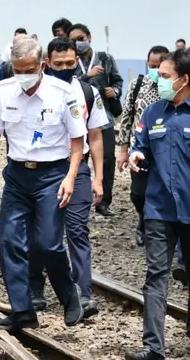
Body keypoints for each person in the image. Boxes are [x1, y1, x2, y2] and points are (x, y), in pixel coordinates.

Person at [125, 49, 190, 360]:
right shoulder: (153, 113)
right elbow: (141, 147)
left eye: (165, 76)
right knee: (155, 274)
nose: (158, 81)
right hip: (159, 209)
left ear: (184, 80)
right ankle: (153, 346)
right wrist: (136, 157)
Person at [0, 37, 86, 331]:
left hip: (52, 176)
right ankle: (22, 310)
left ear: (42, 66)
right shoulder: (4, 90)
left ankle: (69, 295)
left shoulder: (62, 93)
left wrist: (71, 177)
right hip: (16, 176)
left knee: (49, 244)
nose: (22, 76)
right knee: (10, 243)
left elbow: (78, 143)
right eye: (17, 69)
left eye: (28, 69)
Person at [28, 36, 107, 317]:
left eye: (70, 63)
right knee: (41, 233)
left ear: (78, 61)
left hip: (80, 169)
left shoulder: (87, 92)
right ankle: (35, 288)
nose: (65, 67)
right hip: (46, 170)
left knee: (77, 230)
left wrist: (98, 178)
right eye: (58, 63)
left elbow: (96, 136)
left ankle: (82, 293)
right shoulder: (36, 91)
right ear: (47, 63)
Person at [68, 23, 123, 217]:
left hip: (104, 117)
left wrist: (114, 91)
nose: (78, 43)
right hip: (78, 118)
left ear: (89, 37)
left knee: (107, 159)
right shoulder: (71, 60)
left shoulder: (105, 58)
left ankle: (103, 202)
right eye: (73, 40)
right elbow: (69, 82)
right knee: (79, 158)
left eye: (80, 38)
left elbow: (118, 81)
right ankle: (75, 198)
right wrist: (86, 75)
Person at [117, 46, 167, 247]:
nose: (154, 69)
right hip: (140, 150)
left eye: (158, 66)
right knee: (138, 194)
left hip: (163, 150)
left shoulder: (171, 87)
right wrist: (122, 150)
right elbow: (127, 117)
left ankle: (156, 228)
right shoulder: (137, 84)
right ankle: (143, 218)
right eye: (151, 65)